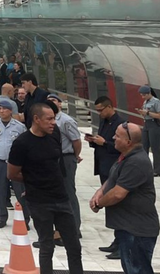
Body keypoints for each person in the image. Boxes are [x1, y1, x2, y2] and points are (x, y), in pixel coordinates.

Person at [8, 103, 83, 274]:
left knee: (74, 246)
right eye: (49, 119)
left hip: (61, 197)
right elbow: (12, 173)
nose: (53, 123)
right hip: (39, 201)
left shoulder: (54, 134)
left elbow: (57, 163)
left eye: (54, 119)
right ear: (36, 119)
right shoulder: (22, 143)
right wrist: (34, 181)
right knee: (46, 246)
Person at [89, 122, 159, 274]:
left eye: (118, 136)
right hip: (128, 228)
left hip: (137, 231)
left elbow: (117, 194)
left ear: (128, 142)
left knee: (137, 270)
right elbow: (113, 178)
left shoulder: (136, 161)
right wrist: (100, 192)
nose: (113, 137)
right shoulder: (125, 156)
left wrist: (99, 204)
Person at [87, 95, 126, 259]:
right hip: (104, 168)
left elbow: (123, 147)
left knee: (119, 206)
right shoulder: (104, 121)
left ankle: (122, 245)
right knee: (111, 207)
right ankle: (116, 241)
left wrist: (105, 143)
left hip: (114, 167)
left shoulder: (121, 124)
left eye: (101, 110)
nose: (99, 113)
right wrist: (93, 140)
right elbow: (102, 141)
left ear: (110, 107)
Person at [0, 98, 28, 229]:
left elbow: (24, 145)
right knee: (0, 189)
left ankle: (25, 218)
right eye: (0, 108)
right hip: (0, 161)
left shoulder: (19, 127)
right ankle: (1, 217)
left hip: (15, 163)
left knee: (20, 191)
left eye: (4, 109)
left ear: (10, 111)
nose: (2, 111)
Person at [48, 94, 84, 235]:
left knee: (68, 192)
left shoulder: (66, 121)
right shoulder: (48, 120)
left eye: (54, 100)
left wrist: (74, 156)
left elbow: (76, 141)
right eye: (49, 101)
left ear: (60, 104)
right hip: (53, 159)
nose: (51, 103)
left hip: (66, 158)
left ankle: (75, 227)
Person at [137, 85, 160, 176]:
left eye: (144, 95)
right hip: (146, 123)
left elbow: (158, 115)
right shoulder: (145, 102)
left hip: (154, 124)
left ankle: (157, 169)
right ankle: (144, 167)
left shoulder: (156, 102)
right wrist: (142, 113)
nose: (143, 97)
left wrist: (147, 113)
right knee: (144, 146)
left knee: (155, 147)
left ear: (148, 93)